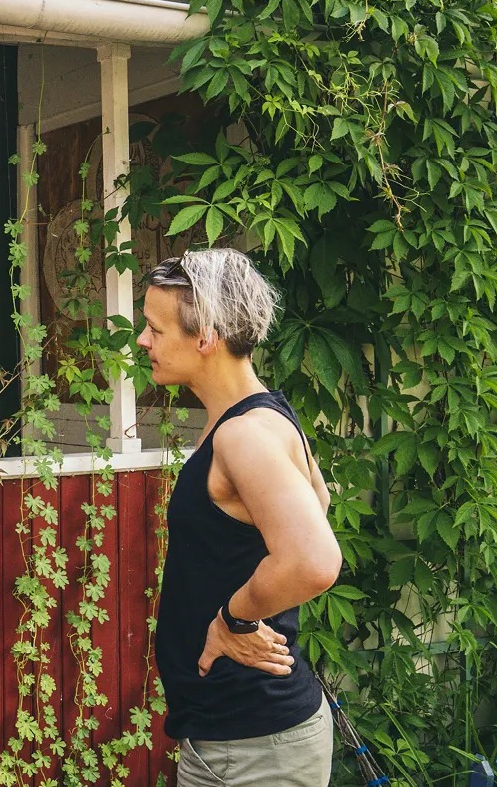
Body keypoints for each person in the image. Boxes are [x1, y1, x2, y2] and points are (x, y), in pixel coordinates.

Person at [137, 249, 343, 787]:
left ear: (204, 336)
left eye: (155, 329)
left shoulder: (244, 433)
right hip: (237, 739)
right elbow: (316, 502)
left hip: (253, 749)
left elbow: (315, 558)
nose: (144, 341)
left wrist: (235, 618)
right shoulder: (257, 416)